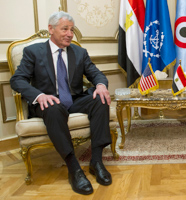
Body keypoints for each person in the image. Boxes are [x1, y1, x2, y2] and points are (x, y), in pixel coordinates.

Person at [10, 11, 112, 195]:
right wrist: (39, 95)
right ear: (51, 29)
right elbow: (17, 80)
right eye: (65, 29)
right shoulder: (33, 52)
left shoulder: (79, 52)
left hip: (73, 101)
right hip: (48, 105)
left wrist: (100, 85)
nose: (70, 34)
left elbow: (96, 74)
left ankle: (96, 161)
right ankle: (73, 168)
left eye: (71, 30)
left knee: (101, 99)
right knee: (52, 106)